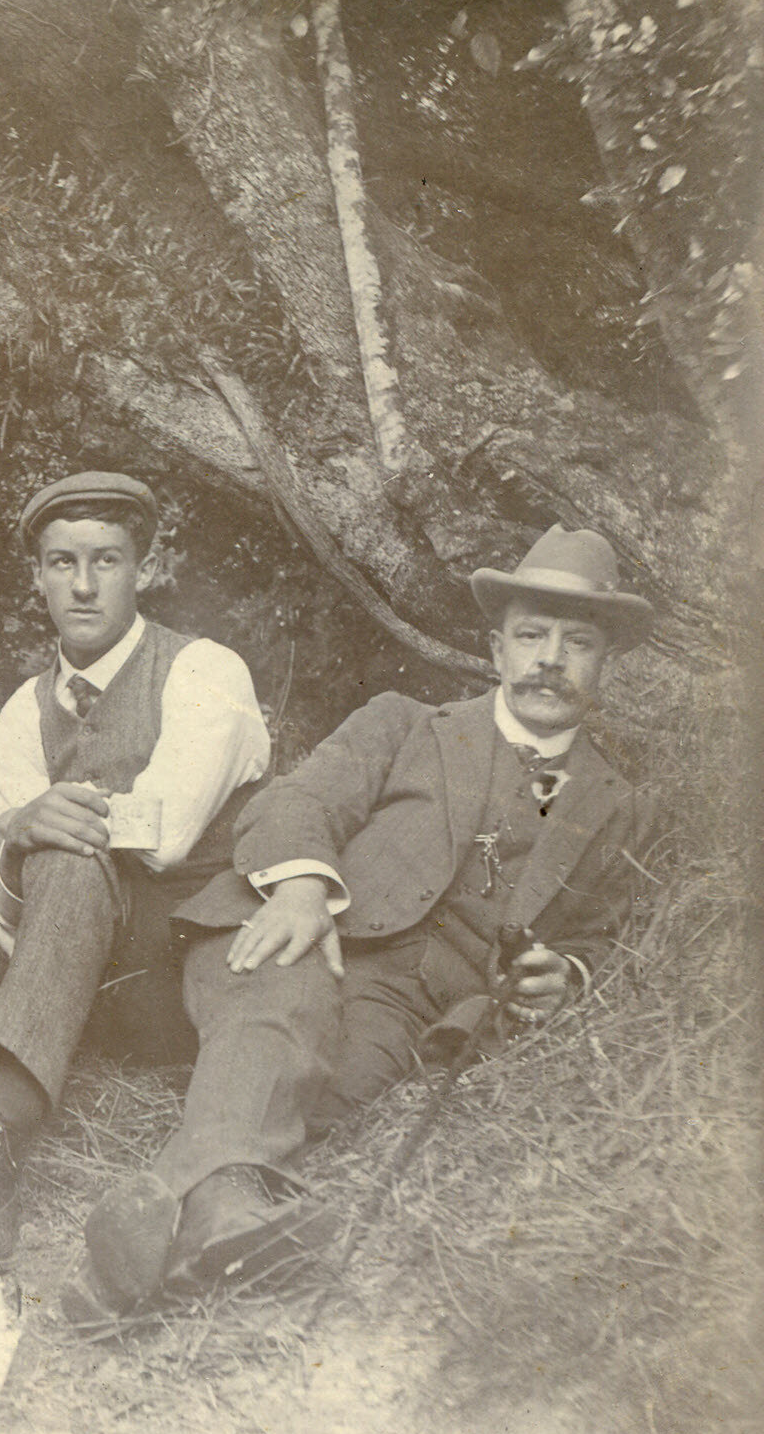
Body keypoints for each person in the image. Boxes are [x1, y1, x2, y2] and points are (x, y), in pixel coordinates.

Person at [64, 524, 656, 1322]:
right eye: (531, 635)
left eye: (577, 641)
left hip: (412, 1011)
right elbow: (297, 801)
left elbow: (596, 934)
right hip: (300, 932)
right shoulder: (407, 722)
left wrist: (566, 975)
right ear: (496, 649)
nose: (550, 657)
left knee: (319, 1101)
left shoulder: (619, 806)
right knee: (277, 1011)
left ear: (603, 663)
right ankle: (192, 1228)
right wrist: (305, 887)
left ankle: (143, 1248)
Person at [0, 472, 272, 1277]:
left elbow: (168, 834)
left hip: (174, 978)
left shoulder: (203, 672)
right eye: (61, 562)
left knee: (69, 852)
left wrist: (33, 823)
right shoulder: (17, 717)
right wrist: (10, 845)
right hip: (65, 980)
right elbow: (4, 919)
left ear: (142, 568)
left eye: (105, 560)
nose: (82, 583)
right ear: (36, 576)